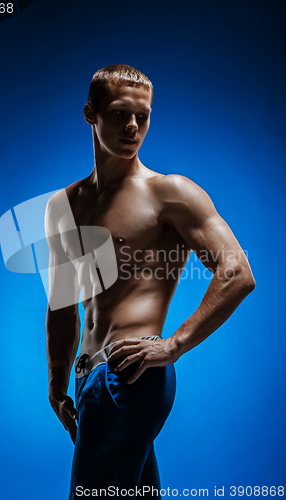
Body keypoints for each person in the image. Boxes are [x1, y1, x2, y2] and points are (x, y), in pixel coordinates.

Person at [45, 64, 255, 498]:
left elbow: (237, 273)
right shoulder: (62, 206)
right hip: (88, 383)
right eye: (121, 113)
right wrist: (57, 386)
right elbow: (62, 304)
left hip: (130, 374)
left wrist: (174, 344)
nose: (134, 125)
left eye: (143, 115)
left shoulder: (170, 193)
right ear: (91, 113)